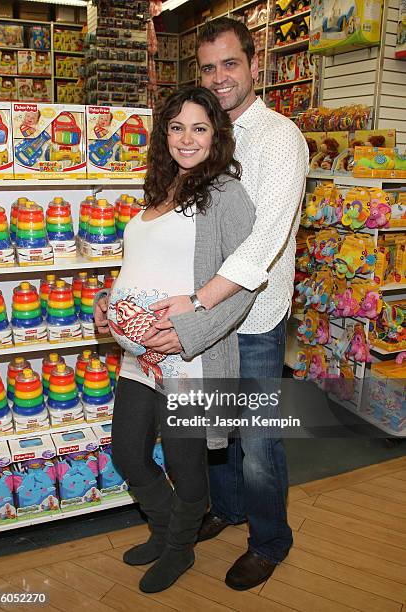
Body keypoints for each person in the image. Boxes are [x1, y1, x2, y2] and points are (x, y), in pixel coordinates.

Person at [141, 17, 310, 591]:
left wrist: (197, 300)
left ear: (254, 65)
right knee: (220, 426)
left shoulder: (281, 137)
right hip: (208, 321)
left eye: (229, 64)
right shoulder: (206, 131)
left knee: (259, 437)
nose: (219, 78)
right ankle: (228, 509)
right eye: (208, 67)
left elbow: (264, 240)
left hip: (254, 316)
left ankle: (269, 541)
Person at [94, 86, 258, 594]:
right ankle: (168, 533)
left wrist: (186, 333)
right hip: (138, 357)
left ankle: (180, 548)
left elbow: (248, 281)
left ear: (216, 135)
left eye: (200, 127)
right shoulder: (160, 193)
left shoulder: (226, 194)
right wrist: (109, 301)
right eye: (177, 127)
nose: (187, 139)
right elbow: (143, 265)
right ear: (164, 134)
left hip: (191, 359)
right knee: (128, 452)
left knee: (187, 465)